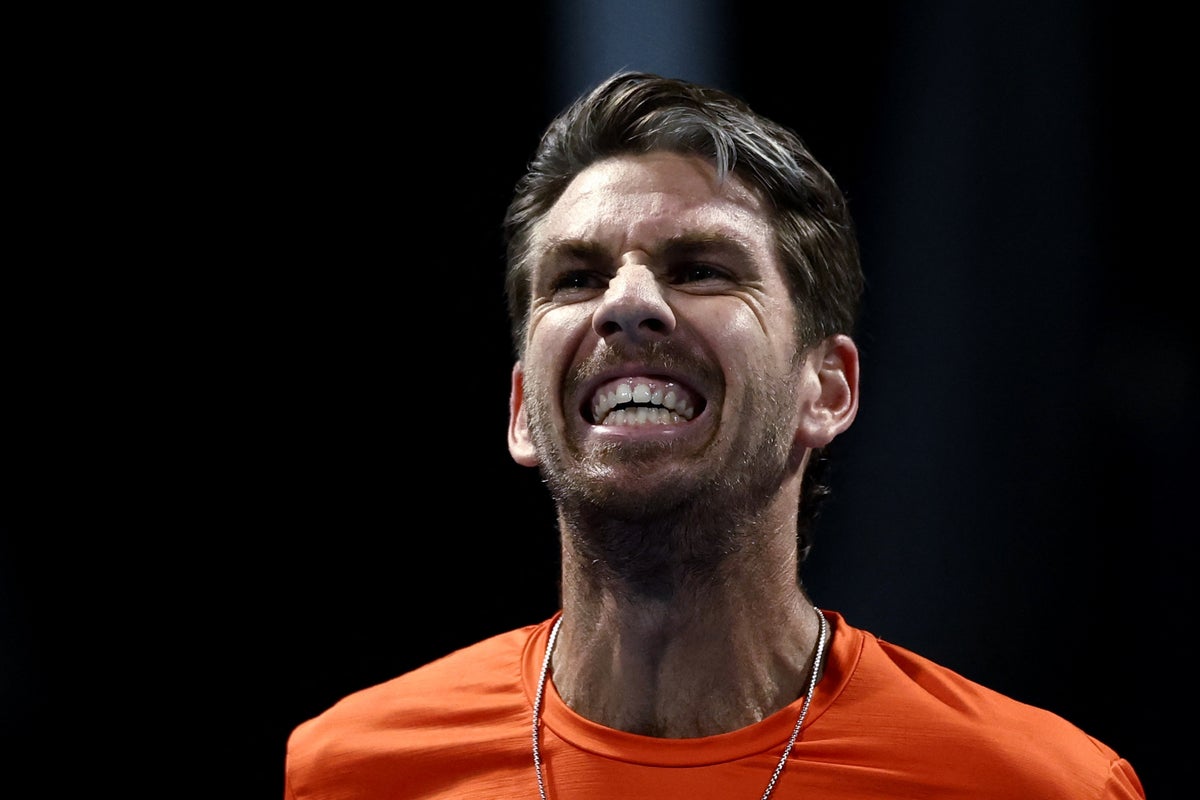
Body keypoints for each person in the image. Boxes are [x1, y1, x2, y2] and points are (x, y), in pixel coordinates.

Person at [282, 71, 1144, 799]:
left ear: (828, 388)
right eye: (576, 278)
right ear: (522, 411)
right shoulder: (343, 774)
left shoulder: (1033, 785)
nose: (625, 304)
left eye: (700, 269)